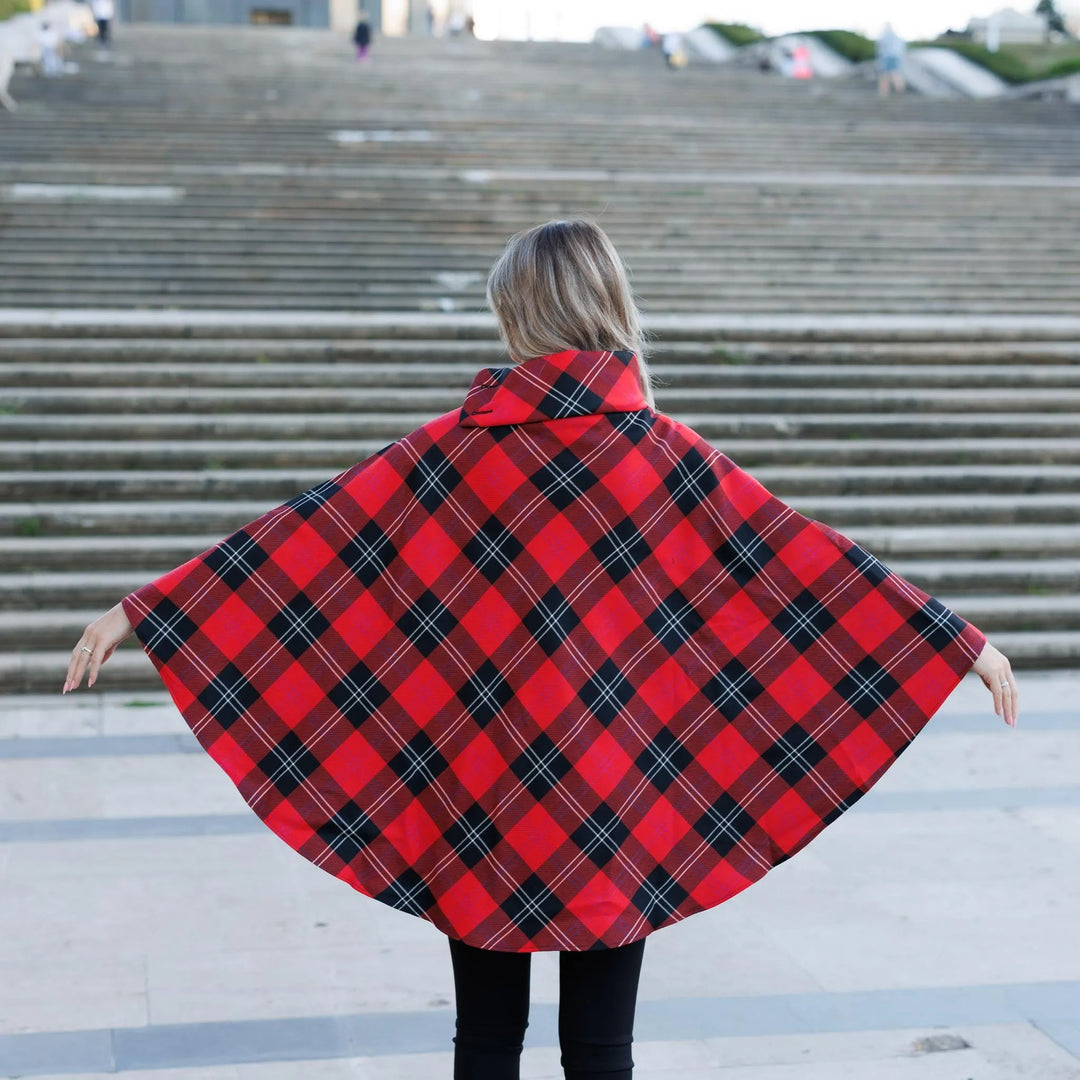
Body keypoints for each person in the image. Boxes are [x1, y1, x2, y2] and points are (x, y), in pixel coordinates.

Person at [65, 219, 1017, 1080]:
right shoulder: (665, 456)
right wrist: (944, 639)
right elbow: (802, 564)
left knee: (484, 1043)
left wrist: (151, 611)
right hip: (615, 792)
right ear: (609, 305)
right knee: (601, 1049)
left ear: (517, 313)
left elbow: (303, 546)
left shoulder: (450, 453)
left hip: (480, 790)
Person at [877, 23, 907, 96]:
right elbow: (902, 48)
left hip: (887, 56)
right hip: (896, 56)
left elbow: (881, 47)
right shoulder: (897, 37)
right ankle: (899, 90)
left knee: (885, 75)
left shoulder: (885, 35)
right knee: (895, 73)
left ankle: (884, 92)